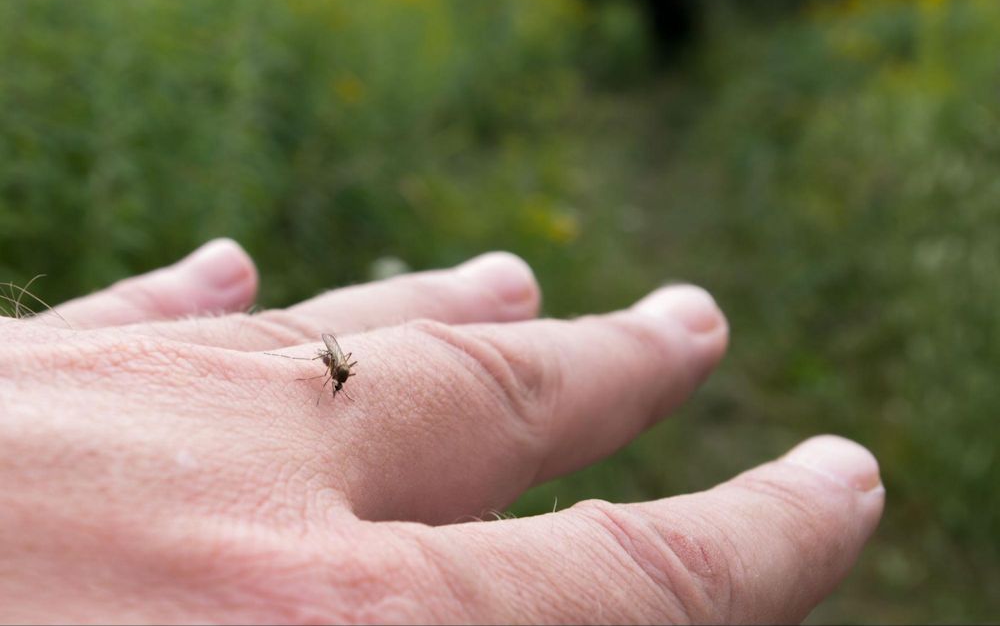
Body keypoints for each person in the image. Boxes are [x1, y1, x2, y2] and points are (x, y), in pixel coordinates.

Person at [0, 238, 884, 623]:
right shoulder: (331, 371)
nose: (337, 374)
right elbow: (330, 371)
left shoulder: (339, 370)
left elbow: (336, 371)